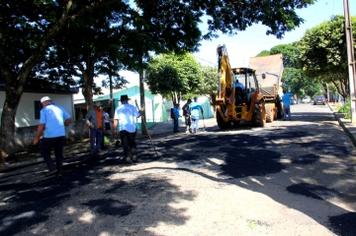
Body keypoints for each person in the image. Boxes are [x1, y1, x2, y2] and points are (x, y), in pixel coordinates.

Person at [33, 96, 72, 176]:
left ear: (44, 103)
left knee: (44, 151)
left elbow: (41, 125)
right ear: (50, 101)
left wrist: (36, 137)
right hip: (61, 135)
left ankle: (52, 168)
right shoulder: (60, 108)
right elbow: (69, 120)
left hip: (49, 136)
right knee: (58, 153)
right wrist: (61, 125)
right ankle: (60, 171)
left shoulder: (44, 110)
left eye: (42, 104)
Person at [112, 95, 141, 163]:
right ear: (127, 100)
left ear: (121, 101)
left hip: (123, 128)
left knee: (125, 144)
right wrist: (140, 112)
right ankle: (134, 157)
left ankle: (127, 158)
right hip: (132, 128)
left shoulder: (118, 108)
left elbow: (115, 119)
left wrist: (114, 129)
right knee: (132, 143)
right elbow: (138, 116)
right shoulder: (132, 107)